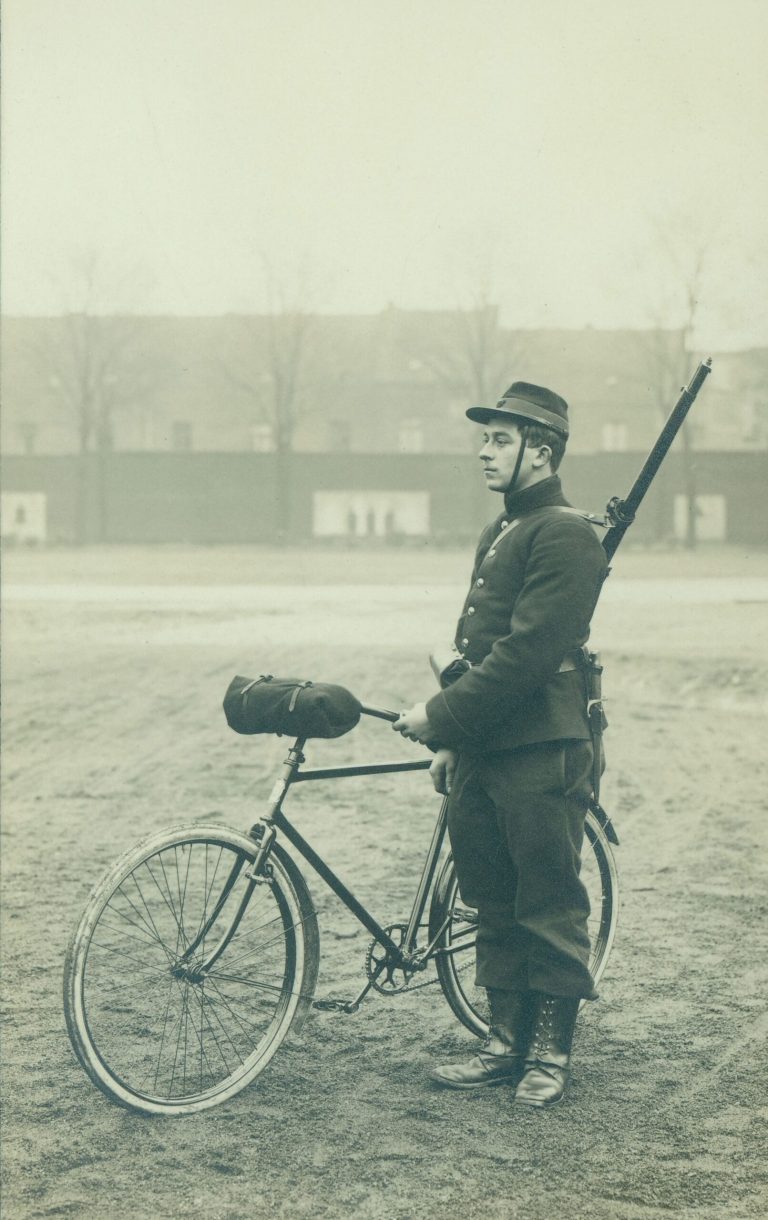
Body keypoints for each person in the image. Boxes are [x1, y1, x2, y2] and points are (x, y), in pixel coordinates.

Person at [393, 380, 607, 1109]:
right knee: (491, 898)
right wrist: (459, 742)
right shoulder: (504, 531)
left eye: (500, 440)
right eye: (484, 439)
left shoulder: (567, 534)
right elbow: (475, 649)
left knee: (545, 898)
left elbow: (525, 657)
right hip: (489, 750)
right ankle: (503, 1042)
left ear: (540, 452)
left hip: (544, 748)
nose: (484, 452)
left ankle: (550, 1052)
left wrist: (441, 717)